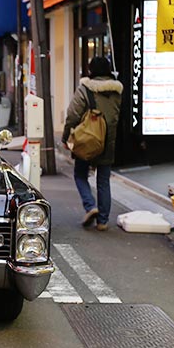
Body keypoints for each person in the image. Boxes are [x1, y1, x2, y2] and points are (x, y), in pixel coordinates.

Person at [62, 56, 124, 231]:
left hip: (86, 140)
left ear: (91, 71)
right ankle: (103, 221)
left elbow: (73, 114)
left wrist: (66, 136)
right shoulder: (117, 91)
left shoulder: (85, 89)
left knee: (80, 174)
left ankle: (90, 206)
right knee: (103, 180)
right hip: (108, 141)